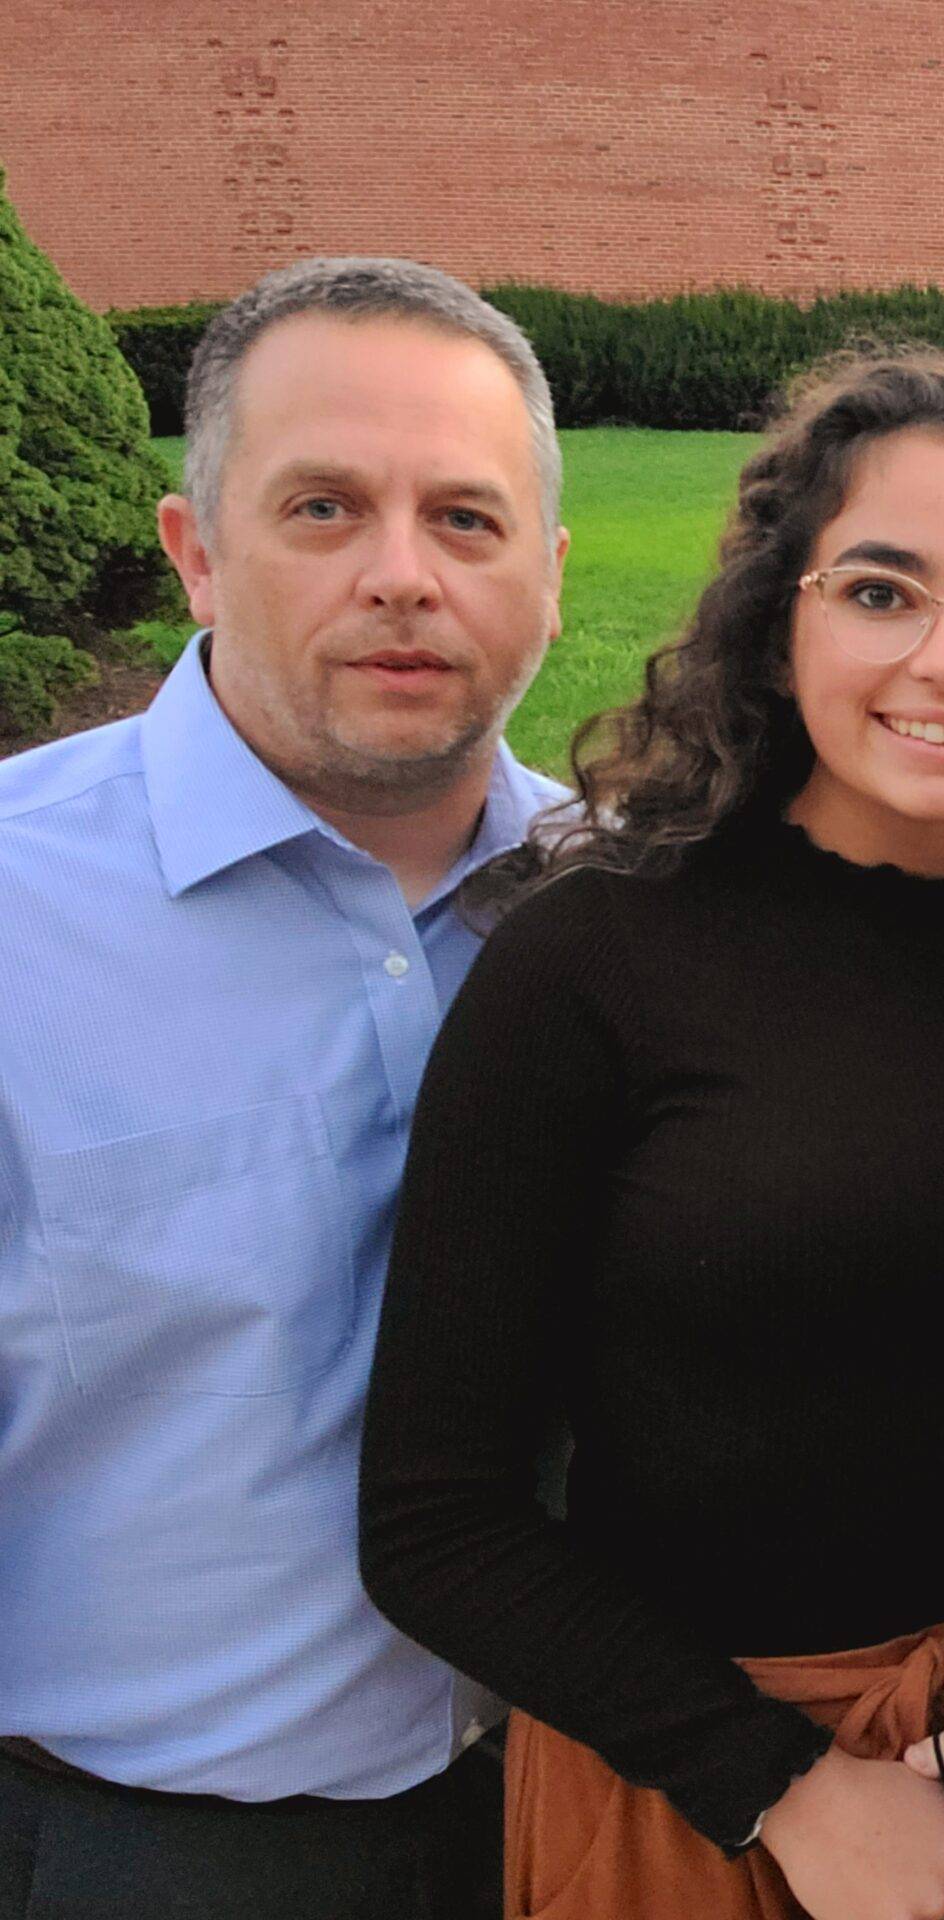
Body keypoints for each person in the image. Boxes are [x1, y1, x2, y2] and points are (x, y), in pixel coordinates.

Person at [357, 349, 944, 1920]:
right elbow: (434, 1522)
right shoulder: (592, 966)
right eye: (879, 592)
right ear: (778, 630)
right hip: (693, 1804)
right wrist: (783, 1792)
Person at [0, 257, 568, 1918]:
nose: (404, 577)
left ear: (545, 565)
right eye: (323, 508)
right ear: (195, 554)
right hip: (147, 1847)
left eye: (466, 521)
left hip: (580, 1814)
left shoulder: (628, 912)